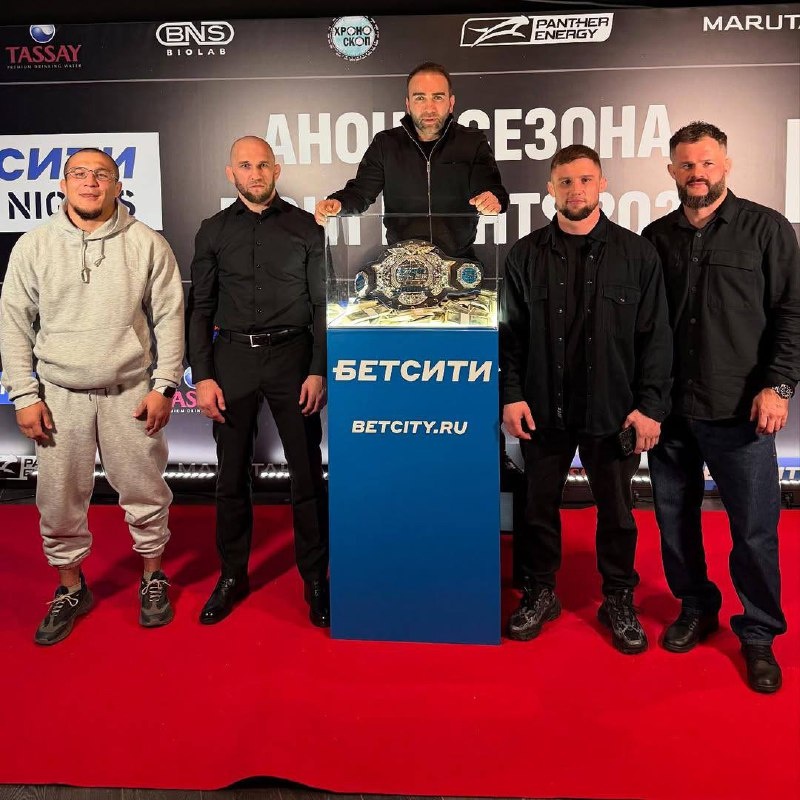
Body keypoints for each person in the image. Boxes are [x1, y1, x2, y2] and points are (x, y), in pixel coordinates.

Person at [0, 147, 184, 645]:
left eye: (101, 174)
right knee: (58, 500)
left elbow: (170, 316)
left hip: (130, 391)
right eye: (79, 174)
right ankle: (70, 587)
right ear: (62, 184)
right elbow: (14, 323)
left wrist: (165, 384)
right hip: (58, 395)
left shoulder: (147, 243)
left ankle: (152, 577)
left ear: (117, 185)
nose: (90, 182)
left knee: (146, 491)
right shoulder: (34, 246)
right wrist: (24, 395)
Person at [642, 121, 800, 693]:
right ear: (671, 171)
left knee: (754, 530)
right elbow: (644, 327)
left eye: (707, 163)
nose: (697, 174)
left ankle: (758, 633)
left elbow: (792, 313)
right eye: (686, 165)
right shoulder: (655, 237)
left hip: (742, 411)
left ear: (726, 165)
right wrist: (645, 402)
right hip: (671, 412)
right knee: (673, 521)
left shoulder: (767, 228)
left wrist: (779, 386)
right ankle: (696, 606)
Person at [500, 144, 672, 654]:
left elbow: (656, 338)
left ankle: (618, 597)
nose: (575, 190)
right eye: (565, 181)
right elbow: (510, 337)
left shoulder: (637, 254)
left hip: (615, 412)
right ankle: (540, 592)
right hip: (542, 410)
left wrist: (651, 407)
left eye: (585, 180)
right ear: (550, 188)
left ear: (602, 185)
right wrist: (511, 396)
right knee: (537, 509)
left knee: (617, 514)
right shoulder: (524, 255)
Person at [186, 136, 330, 627]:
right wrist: (203, 376)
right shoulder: (212, 231)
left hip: (293, 358)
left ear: (277, 169)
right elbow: (200, 307)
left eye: (263, 165)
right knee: (230, 477)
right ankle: (232, 575)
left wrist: (318, 368)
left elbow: (321, 306)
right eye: (245, 166)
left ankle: (315, 578)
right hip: (232, 360)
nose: (255, 173)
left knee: (307, 474)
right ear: (231, 174)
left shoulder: (307, 227)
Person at [314, 61, 509, 255]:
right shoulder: (386, 144)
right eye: (420, 98)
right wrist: (338, 203)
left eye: (438, 97)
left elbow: (492, 189)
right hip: (401, 262)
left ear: (451, 103)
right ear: (408, 104)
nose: (429, 108)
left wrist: (492, 200)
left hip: (457, 260)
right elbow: (360, 193)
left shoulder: (472, 142)